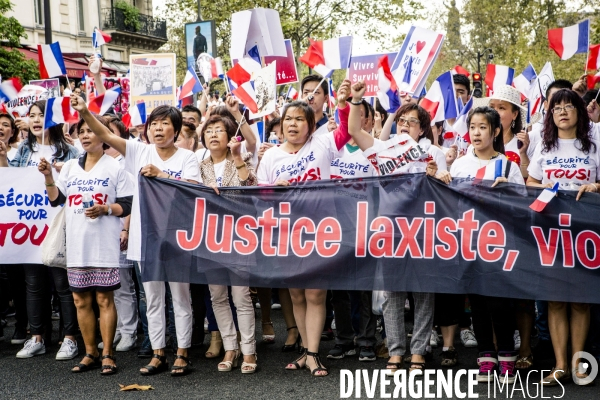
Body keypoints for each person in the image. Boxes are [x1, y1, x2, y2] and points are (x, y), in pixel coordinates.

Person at [70, 95, 200, 377]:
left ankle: (182, 353)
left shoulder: (187, 157)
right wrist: (85, 111)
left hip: (178, 238)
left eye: (165, 124)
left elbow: (193, 190)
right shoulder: (139, 152)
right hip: (146, 238)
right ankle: (158, 353)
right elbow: (104, 133)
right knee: (152, 298)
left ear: (176, 130)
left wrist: (162, 174)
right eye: (154, 124)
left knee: (180, 297)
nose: (158, 129)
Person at [347, 80, 448, 374]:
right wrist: (355, 98)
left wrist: (436, 177)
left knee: (423, 294)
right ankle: (395, 352)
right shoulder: (383, 149)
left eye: (411, 122)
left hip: (423, 232)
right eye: (401, 120)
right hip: (390, 231)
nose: (404, 125)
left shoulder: (434, 153)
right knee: (393, 294)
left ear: (422, 129)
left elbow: (445, 188)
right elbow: (355, 130)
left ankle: (418, 352)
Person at [257, 79, 353, 377]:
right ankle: (304, 349)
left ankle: (313, 354)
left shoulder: (323, 143)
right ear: (281, 124)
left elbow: (349, 130)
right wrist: (275, 188)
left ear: (311, 125)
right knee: (296, 295)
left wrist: (349, 102)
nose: (293, 124)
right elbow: (260, 199)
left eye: (300, 119)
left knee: (315, 295)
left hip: (321, 231)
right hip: (286, 234)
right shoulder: (270, 156)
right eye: (288, 119)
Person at [38, 114, 134, 374]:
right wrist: (48, 176)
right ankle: (90, 352)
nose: (85, 135)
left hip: (104, 243)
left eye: (91, 131)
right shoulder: (69, 167)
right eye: (81, 131)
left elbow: (127, 204)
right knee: (80, 300)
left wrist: (105, 209)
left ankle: (108, 354)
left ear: (103, 135)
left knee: (104, 299)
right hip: (77, 243)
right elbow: (57, 200)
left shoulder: (116, 167)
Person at [527, 89, 600, 386]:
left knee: (581, 300)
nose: (563, 112)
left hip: (586, 232)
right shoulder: (545, 147)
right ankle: (559, 366)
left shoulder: (593, 144)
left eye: (570, 107)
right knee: (555, 300)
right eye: (557, 108)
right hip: (551, 232)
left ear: (580, 113)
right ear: (551, 114)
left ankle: (578, 361)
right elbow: (530, 180)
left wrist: (595, 187)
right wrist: (544, 187)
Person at [447, 106, 523, 382]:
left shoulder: (508, 165)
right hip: (468, 243)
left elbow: (522, 206)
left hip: (499, 245)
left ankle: (506, 356)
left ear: (495, 131)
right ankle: (486, 357)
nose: (476, 132)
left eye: (482, 127)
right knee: (476, 303)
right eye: (472, 127)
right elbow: (449, 203)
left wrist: (509, 191)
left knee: (500, 303)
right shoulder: (460, 165)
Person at [0, 101, 80, 361]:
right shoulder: (24, 149)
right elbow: (11, 184)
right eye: (31, 115)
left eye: (41, 115)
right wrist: (2, 158)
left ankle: (69, 338)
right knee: (34, 284)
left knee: (62, 284)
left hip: (59, 225)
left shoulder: (69, 151)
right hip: (30, 228)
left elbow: (76, 185)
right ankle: (37, 337)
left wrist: (58, 172)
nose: (35, 120)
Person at [198, 115, 258, 373]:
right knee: (218, 296)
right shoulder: (200, 166)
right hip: (210, 237)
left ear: (230, 135)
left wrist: (237, 156)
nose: (213, 135)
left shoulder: (239, 159)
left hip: (238, 237)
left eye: (219, 130)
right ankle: (230, 347)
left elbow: (250, 185)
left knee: (241, 296)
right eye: (208, 130)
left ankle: (249, 351)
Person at [488, 85, 529, 178]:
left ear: (514, 114)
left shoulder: (522, 144)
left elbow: (527, 178)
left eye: (501, 108)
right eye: (491, 107)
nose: (494, 112)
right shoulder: (479, 143)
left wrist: (523, 154)